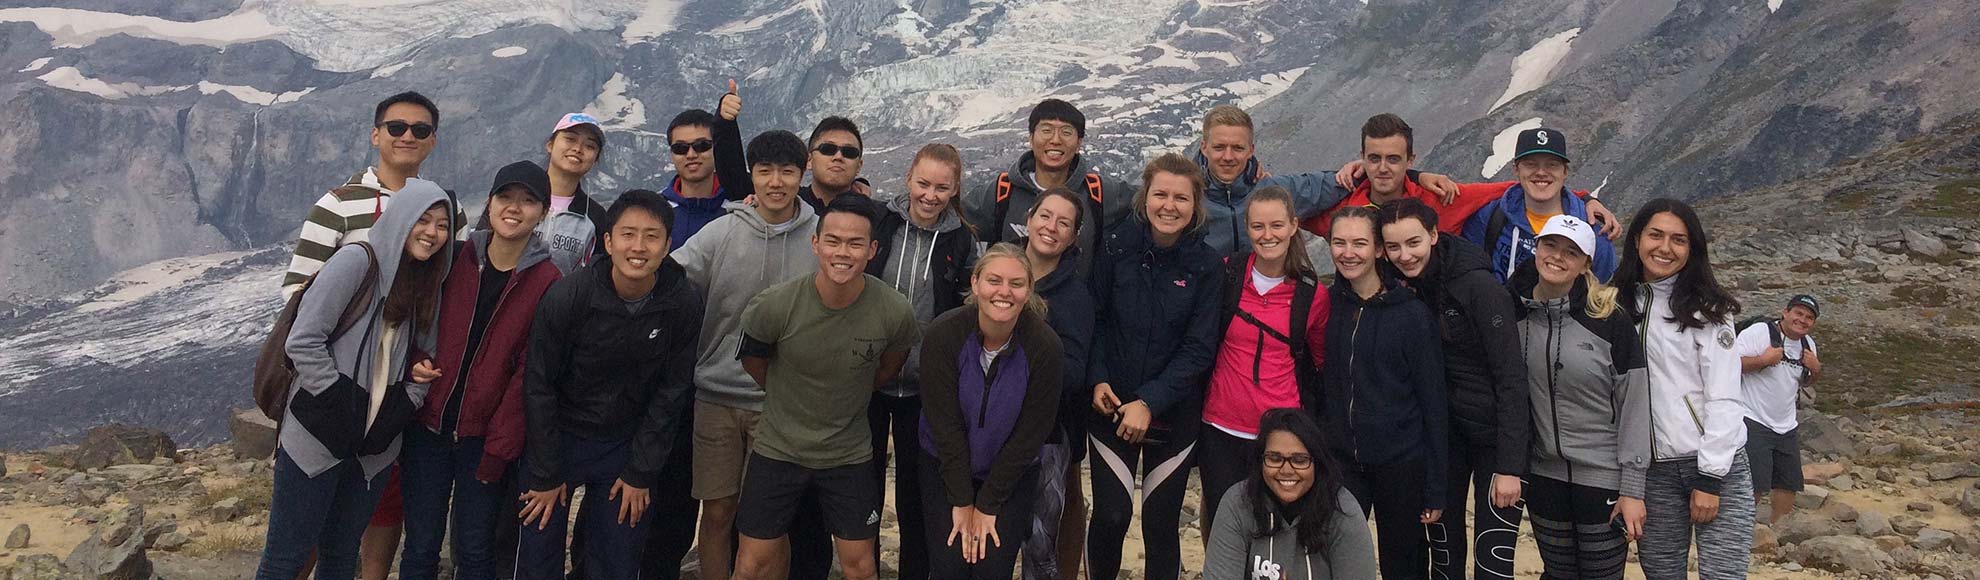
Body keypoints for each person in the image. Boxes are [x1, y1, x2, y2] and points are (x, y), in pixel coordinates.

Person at [256, 181, 456, 580]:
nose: (432, 233)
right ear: (401, 219)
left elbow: (427, 358)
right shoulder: (356, 262)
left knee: (343, 555)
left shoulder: (424, 283)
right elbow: (304, 339)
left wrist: (409, 400)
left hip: (372, 453)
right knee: (286, 557)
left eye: (443, 225)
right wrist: (337, 397)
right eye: (423, 219)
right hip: (315, 439)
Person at [513, 190, 702, 580]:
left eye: (651, 236)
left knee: (617, 556)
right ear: (608, 241)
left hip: (624, 440)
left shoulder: (681, 301)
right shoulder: (570, 295)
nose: (639, 247)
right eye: (628, 234)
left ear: (668, 245)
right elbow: (539, 383)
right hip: (560, 435)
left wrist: (641, 472)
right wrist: (547, 473)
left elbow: (672, 390)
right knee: (538, 549)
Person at [731, 195, 921, 580]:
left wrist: (854, 384)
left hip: (848, 454)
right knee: (752, 564)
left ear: (872, 250)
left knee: (861, 567)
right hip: (778, 449)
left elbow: (891, 363)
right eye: (833, 241)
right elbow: (754, 361)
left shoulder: (894, 310)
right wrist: (789, 394)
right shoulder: (776, 305)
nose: (842, 253)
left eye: (855, 244)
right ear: (815, 244)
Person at [670, 129, 824, 580]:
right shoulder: (721, 232)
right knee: (717, 513)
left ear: (802, 174)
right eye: (765, 171)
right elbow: (671, 279)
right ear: (751, 176)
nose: (776, 182)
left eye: (787, 172)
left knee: (772, 521)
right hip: (715, 396)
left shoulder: (820, 236)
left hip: (782, 403)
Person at [398, 162, 563, 580]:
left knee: (474, 550)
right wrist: (413, 360)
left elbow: (532, 372)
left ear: (542, 212)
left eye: (528, 201)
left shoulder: (547, 280)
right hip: (427, 427)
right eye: (506, 197)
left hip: (483, 439)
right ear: (489, 203)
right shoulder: (454, 257)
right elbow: (415, 317)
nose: (514, 208)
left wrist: (500, 447)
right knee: (419, 545)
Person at [1086, 153, 1224, 580]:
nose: (1169, 205)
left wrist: (1150, 401)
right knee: (1111, 515)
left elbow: (1200, 347)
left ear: (1195, 205)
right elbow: (1096, 319)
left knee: (1162, 522)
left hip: (1173, 411)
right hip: (1112, 403)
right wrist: (1098, 378)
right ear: (1145, 196)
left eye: (1181, 198)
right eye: (1160, 194)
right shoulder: (1114, 246)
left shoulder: (1206, 265)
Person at [1375, 197, 1529, 580]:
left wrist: (1510, 467)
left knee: (1492, 558)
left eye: (1413, 243)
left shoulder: (1477, 287)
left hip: (1495, 438)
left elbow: (1511, 378)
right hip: (1444, 440)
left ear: (1433, 235)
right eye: (1393, 246)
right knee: (1444, 556)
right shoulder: (1397, 285)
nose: (1404, 255)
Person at [1611, 198, 1754, 580]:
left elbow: (1725, 394)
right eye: (1655, 235)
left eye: (1679, 240)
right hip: (1653, 471)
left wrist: (1710, 477)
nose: (1665, 248)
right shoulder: (1615, 303)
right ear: (1637, 239)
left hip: (1716, 466)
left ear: (1692, 249)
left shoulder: (1709, 309)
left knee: (1723, 574)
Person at [1510, 215, 1650, 580]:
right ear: (1536, 248)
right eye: (1550, 245)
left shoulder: (1609, 320)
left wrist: (1633, 490)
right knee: (1557, 574)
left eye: (1571, 252)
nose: (1557, 257)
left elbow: (1634, 404)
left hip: (1602, 479)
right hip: (1544, 478)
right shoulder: (1514, 313)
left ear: (1586, 263)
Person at [862, 143, 979, 580]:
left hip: (925, 388)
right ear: (909, 178)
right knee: (864, 491)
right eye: (924, 184)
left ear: (954, 189)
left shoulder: (962, 240)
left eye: (941, 187)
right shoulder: (880, 221)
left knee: (916, 496)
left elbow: (974, 302)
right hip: (869, 380)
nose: (930, 195)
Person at [916, 243, 1064, 579]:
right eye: (994, 280)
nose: (1004, 292)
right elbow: (945, 425)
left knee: (989, 568)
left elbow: (1031, 434)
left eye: (1016, 284)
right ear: (975, 283)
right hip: (944, 464)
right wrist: (963, 501)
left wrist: (987, 505)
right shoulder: (944, 334)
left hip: (1010, 470)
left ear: (1028, 291)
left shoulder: (1045, 347)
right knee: (950, 566)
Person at [1319, 205, 1447, 580]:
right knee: (1334, 560)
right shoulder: (1330, 305)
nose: (1348, 252)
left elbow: (1433, 402)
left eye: (1359, 243)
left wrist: (1436, 486)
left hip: (1401, 463)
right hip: (1342, 460)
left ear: (1378, 250)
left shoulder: (1411, 315)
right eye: (1339, 242)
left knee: (1403, 565)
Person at [1199, 186, 1329, 536]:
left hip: (1281, 431)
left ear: (1293, 226)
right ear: (1247, 227)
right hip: (1221, 426)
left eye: (1276, 226)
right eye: (1258, 227)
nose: (1267, 235)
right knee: (1222, 526)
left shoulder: (1312, 294)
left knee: (1276, 530)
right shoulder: (1228, 275)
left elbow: (1321, 361)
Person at [1194, 105, 1457, 255]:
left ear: (1251, 150)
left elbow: (1353, 180)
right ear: (1204, 147)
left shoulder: (1277, 192)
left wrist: (1416, 176)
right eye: (1219, 147)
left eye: (1237, 148)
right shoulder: (1185, 197)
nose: (1228, 156)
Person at [1309, 114, 1616, 242]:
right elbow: (1290, 216)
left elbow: (1523, 183)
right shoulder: (1345, 211)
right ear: (1361, 159)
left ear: (1410, 160)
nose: (1383, 168)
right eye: (1374, 159)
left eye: (1394, 159)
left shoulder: (1443, 198)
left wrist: (1585, 197)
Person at [282, 91, 465, 299]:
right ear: (375, 136)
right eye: (396, 128)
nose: (407, 137)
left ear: (432, 141)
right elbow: (297, 288)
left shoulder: (448, 208)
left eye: (420, 130)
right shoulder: (337, 205)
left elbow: (456, 284)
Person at [1014, 188, 1096, 580]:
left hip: (1045, 433)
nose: (1051, 227)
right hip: (982, 429)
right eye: (1045, 216)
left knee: (1040, 540)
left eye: (1064, 223)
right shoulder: (998, 271)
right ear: (1028, 219)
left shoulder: (1076, 295)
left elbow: (1075, 372)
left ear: (1074, 235)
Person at [964, 98, 1133, 274]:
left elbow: (1151, 202)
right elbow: (953, 225)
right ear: (1031, 138)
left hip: (1076, 300)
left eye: (1066, 132)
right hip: (1012, 299)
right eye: (1046, 130)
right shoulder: (1000, 192)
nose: (1055, 140)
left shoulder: (1100, 193)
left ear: (1078, 144)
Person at [1204, 409, 1376, 580]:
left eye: (1299, 460)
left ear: (1317, 463)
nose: (1286, 470)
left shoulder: (1343, 512)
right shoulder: (1236, 504)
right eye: (1274, 459)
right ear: (1260, 461)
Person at [1463, 127, 1620, 282]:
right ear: (1516, 169)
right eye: (1531, 164)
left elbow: (1603, 296)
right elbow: (1468, 276)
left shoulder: (1593, 232)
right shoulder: (1489, 218)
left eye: (1552, 165)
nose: (1541, 172)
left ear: (1565, 171)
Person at [1738, 294, 1822, 524]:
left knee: (1788, 483)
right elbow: (1727, 365)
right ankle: (1740, 530)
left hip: (1786, 424)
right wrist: (1763, 360)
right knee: (1753, 483)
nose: (1802, 320)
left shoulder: (1808, 345)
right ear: (1785, 312)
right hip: (1752, 418)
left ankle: (1779, 533)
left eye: (1809, 317)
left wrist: (1816, 370)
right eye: (1798, 313)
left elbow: (1805, 381)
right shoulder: (1759, 333)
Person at [660, 84, 753, 247]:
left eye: (701, 145)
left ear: (715, 147)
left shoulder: (743, 201)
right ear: (671, 154)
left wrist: (724, 123)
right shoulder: (656, 209)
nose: (691, 155)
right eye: (680, 148)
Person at [531, 113, 610, 274]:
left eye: (589, 146)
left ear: (595, 159)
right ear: (550, 145)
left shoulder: (596, 217)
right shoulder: (515, 195)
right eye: (570, 139)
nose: (577, 149)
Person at [799, 116, 870, 210]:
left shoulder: (879, 219)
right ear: (809, 160)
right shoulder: (788, 209)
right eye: (827, 149)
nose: (838, 157)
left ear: (858, 166)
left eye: (849, 152)